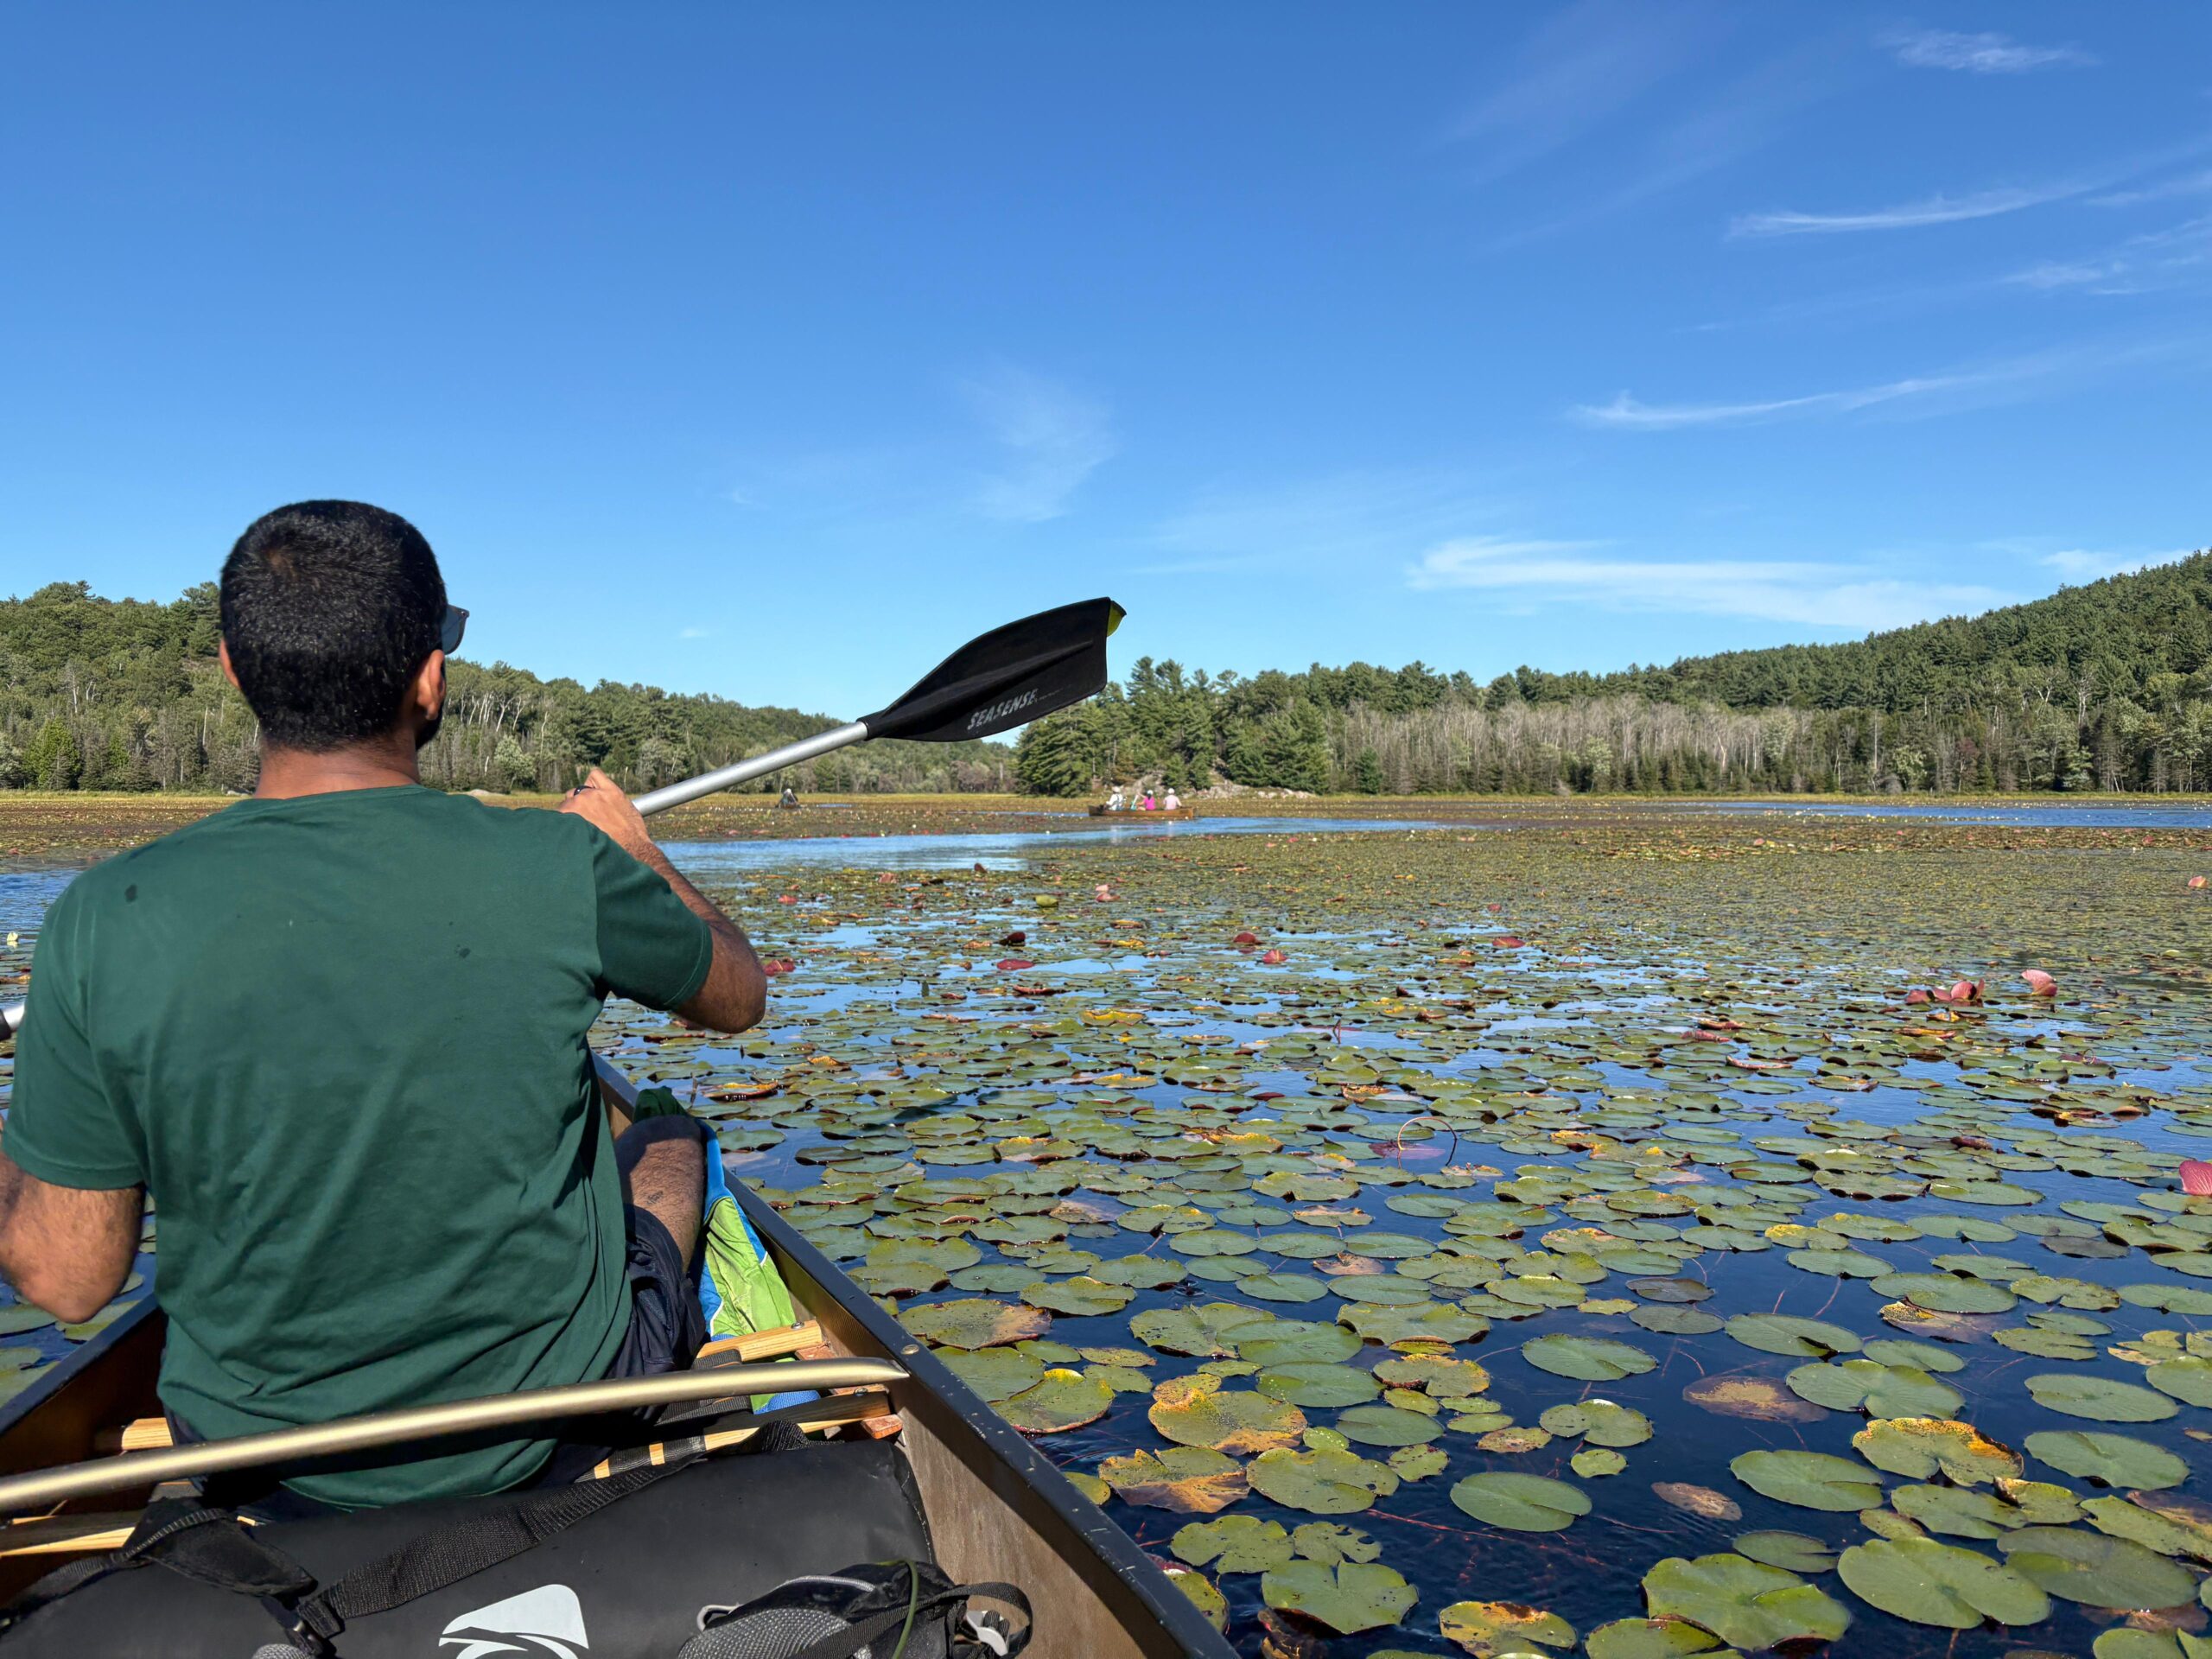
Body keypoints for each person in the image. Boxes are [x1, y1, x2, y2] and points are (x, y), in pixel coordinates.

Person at [0, 501, 766, 1513]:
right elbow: (737, 994)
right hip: (549, 1423)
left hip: (251, 1449)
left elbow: (67, 1280)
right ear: (430, 677)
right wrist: (634, 850)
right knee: (666, 1137)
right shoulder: (559, 862)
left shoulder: (102, 914)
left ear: (232, 671)